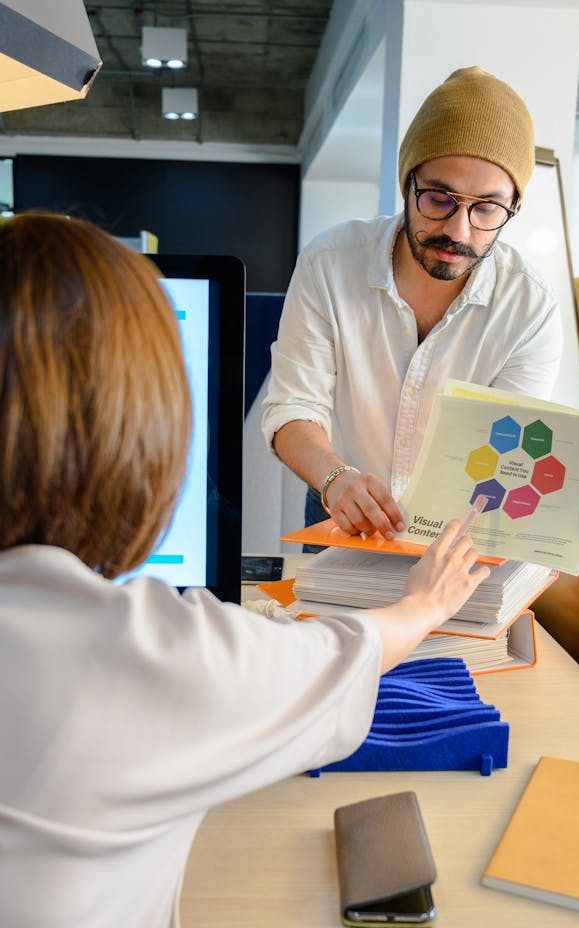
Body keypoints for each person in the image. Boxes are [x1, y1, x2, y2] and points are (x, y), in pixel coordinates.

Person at [0, 212, 490, 928]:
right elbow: (332, 665)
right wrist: (420, 605)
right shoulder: (147, 655)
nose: (458, 224)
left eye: (486, 206)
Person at [262, 65, 579, 562]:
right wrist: (335, 478)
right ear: (407, 184)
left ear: (513, 207)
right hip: (342, 503)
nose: (459, 231)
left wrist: (574, 527)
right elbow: (293, 406)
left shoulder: (529, 307)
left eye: (487, 208)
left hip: (460, 528)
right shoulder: (329, 263)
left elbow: (511, 460)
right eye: (439, 198)